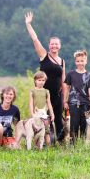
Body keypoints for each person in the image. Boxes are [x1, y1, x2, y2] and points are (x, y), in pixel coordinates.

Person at [25, 12, 65, 142]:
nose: (54, 46)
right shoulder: (44, 55)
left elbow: (63, 81)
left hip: (57, 96)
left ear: (60, 46)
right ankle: (40, 142)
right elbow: (35, 39)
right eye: (52, 44)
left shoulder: (62, 61)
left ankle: (59, 142)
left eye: (56, 44)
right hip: (42, 94)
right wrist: (28, 24)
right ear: (49, 46)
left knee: (58, 118)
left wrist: (65, 99)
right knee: (41, 119)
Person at [63, 50, 90, 143]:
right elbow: (67, 88)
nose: (80, 63)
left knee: (84, 125)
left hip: (86, 104)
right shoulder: (70, 74)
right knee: (74, 125)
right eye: (78, 61)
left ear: (86, 61)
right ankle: (73, 145)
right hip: (73, 104)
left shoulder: (89, 76)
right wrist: (65, 101)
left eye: (82, 61)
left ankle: (82, 144)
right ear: (75, 62)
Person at [29, 71, 55, 146]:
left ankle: (48, 147)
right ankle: (36, 147)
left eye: (43, 80)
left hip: (44, 116)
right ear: (35, 81)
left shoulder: (46, 91)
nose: (41, 82)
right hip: (36, 115)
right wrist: (32, 114)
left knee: (46, 131)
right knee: (35, 131)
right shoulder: (32, 91)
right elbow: (30, 103)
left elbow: (49, 103)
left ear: (45, 81)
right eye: (39, 80)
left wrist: (52, 114)